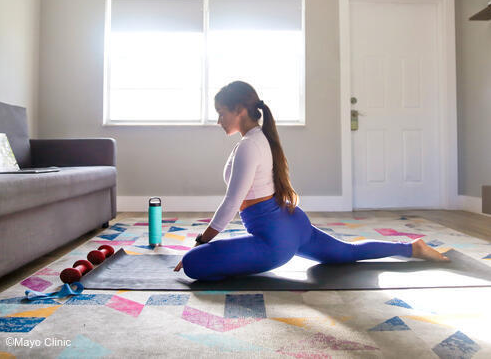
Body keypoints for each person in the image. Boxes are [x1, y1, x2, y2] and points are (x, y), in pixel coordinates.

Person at [173, 80, 449, 281]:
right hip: (292, 223)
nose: (218, 119)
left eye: (222, 112)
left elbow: (232, 202)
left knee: (194, 264)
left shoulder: (248, 145)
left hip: (274, 242)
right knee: (348, 252)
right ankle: (412, 247)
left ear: (240, 110)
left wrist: (201, 242)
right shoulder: (259, 139)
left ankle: (412, 248)